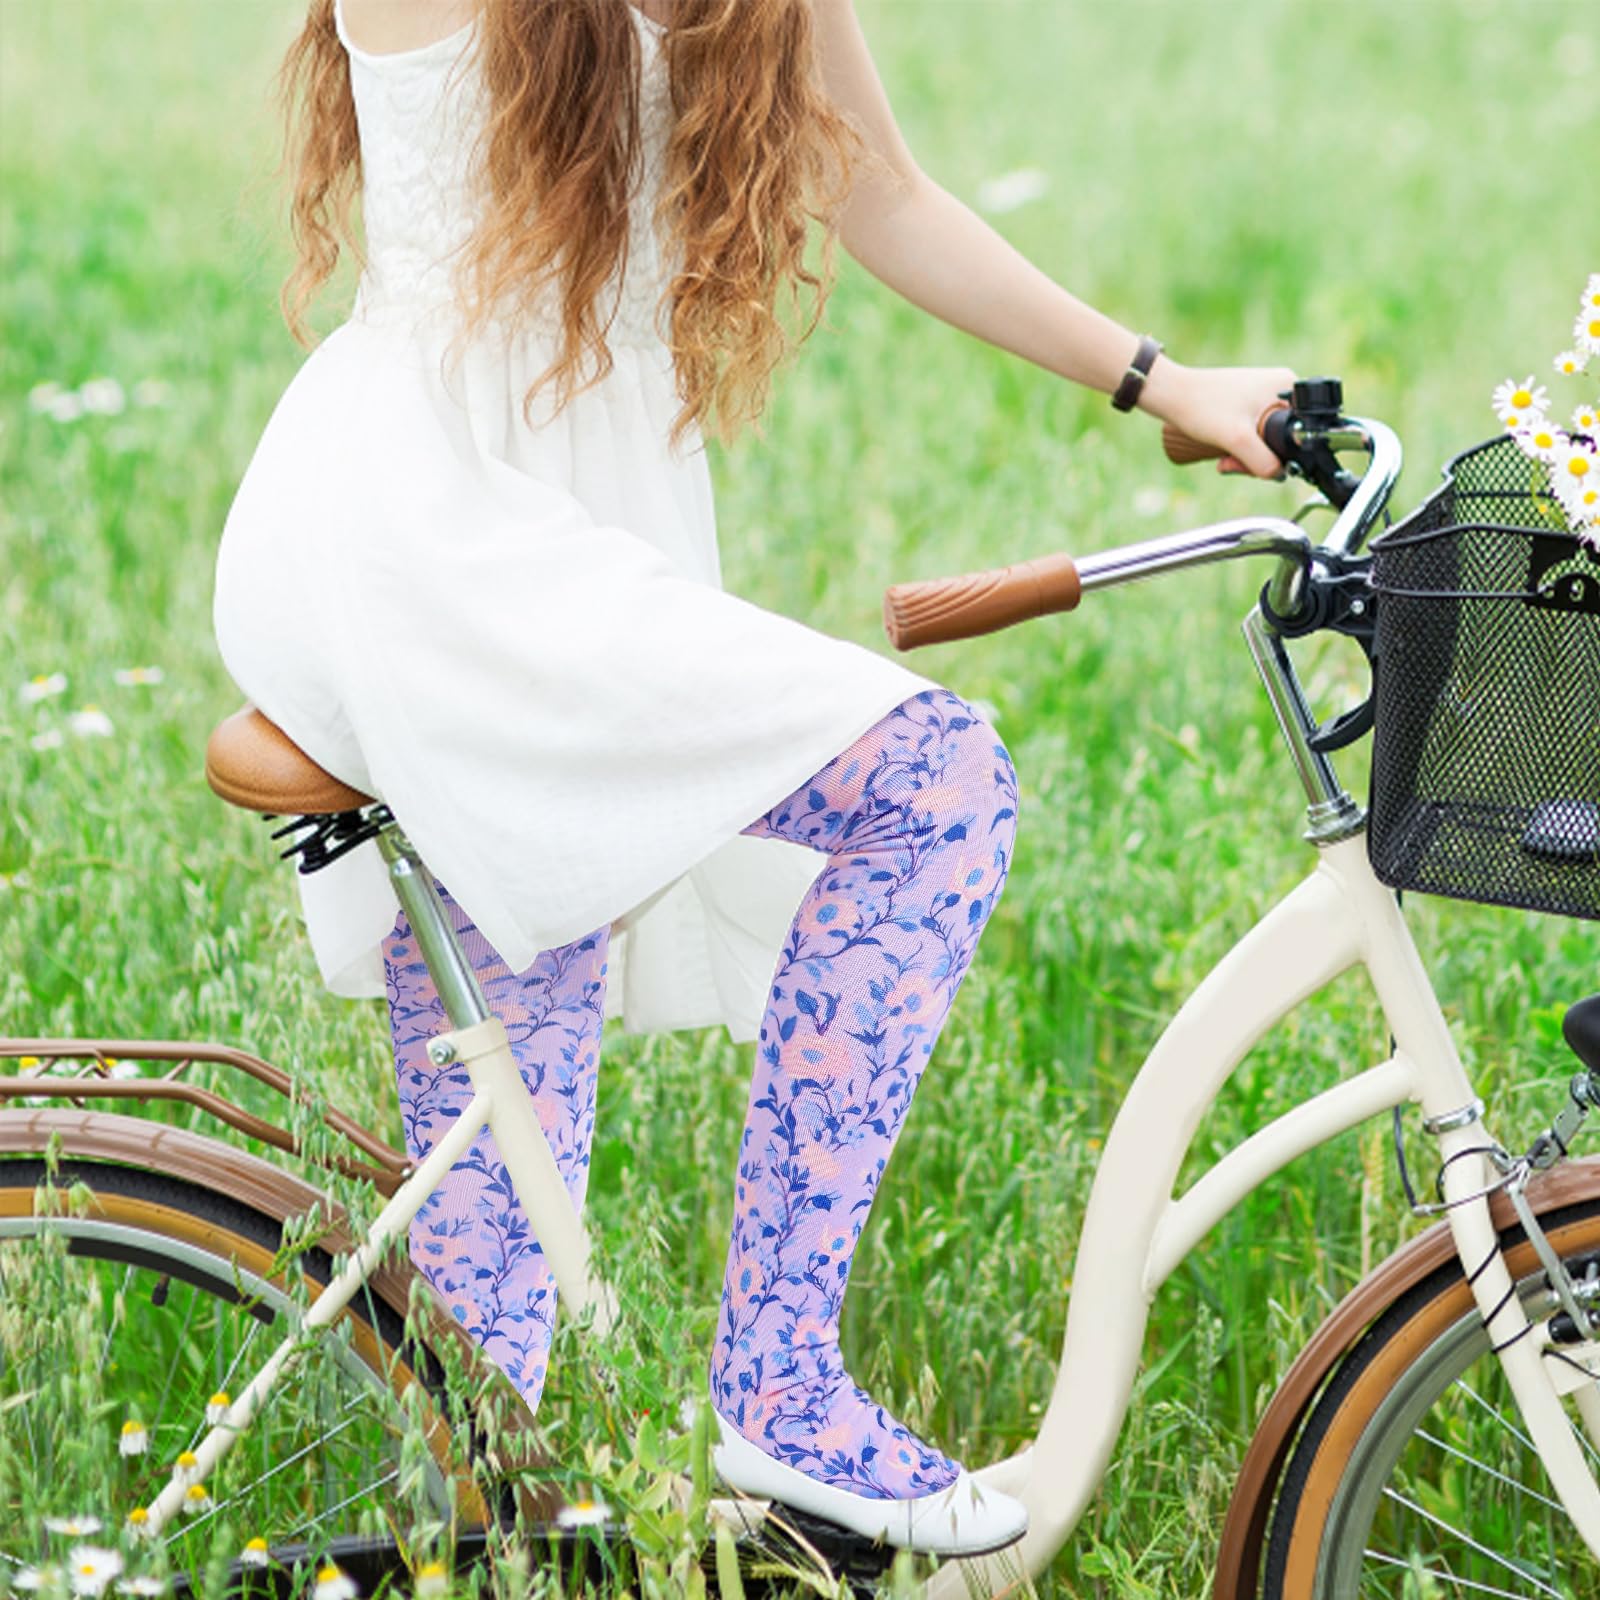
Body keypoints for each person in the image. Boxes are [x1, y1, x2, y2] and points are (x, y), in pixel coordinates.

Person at [211, 0, 1293, 1556]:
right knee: (933, 785)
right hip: (433, 541)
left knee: (498, 1337)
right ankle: (779, 1387)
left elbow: (886, 195)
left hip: (570, 542)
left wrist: (1157, 379)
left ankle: (479, 1540)